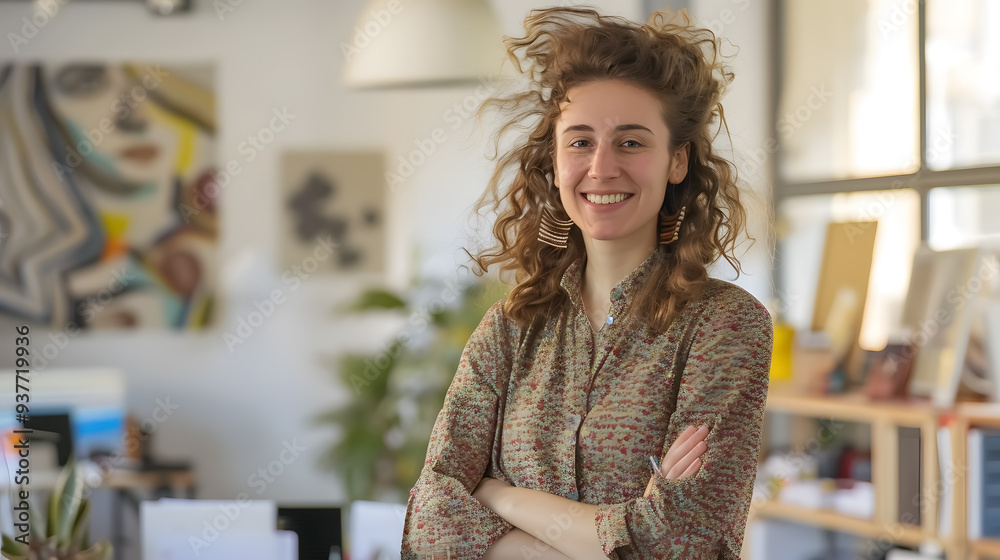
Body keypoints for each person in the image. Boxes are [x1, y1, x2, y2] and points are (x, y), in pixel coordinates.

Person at [401, 6, 773, 559]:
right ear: (554, 161)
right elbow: (428, 522)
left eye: (630, 142)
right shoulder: (509, 329)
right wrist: (618, 532)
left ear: (676, 161)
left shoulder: (725, 327)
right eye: (579, 141)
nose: (601, 167)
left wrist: (498, 495)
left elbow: (681, 541)